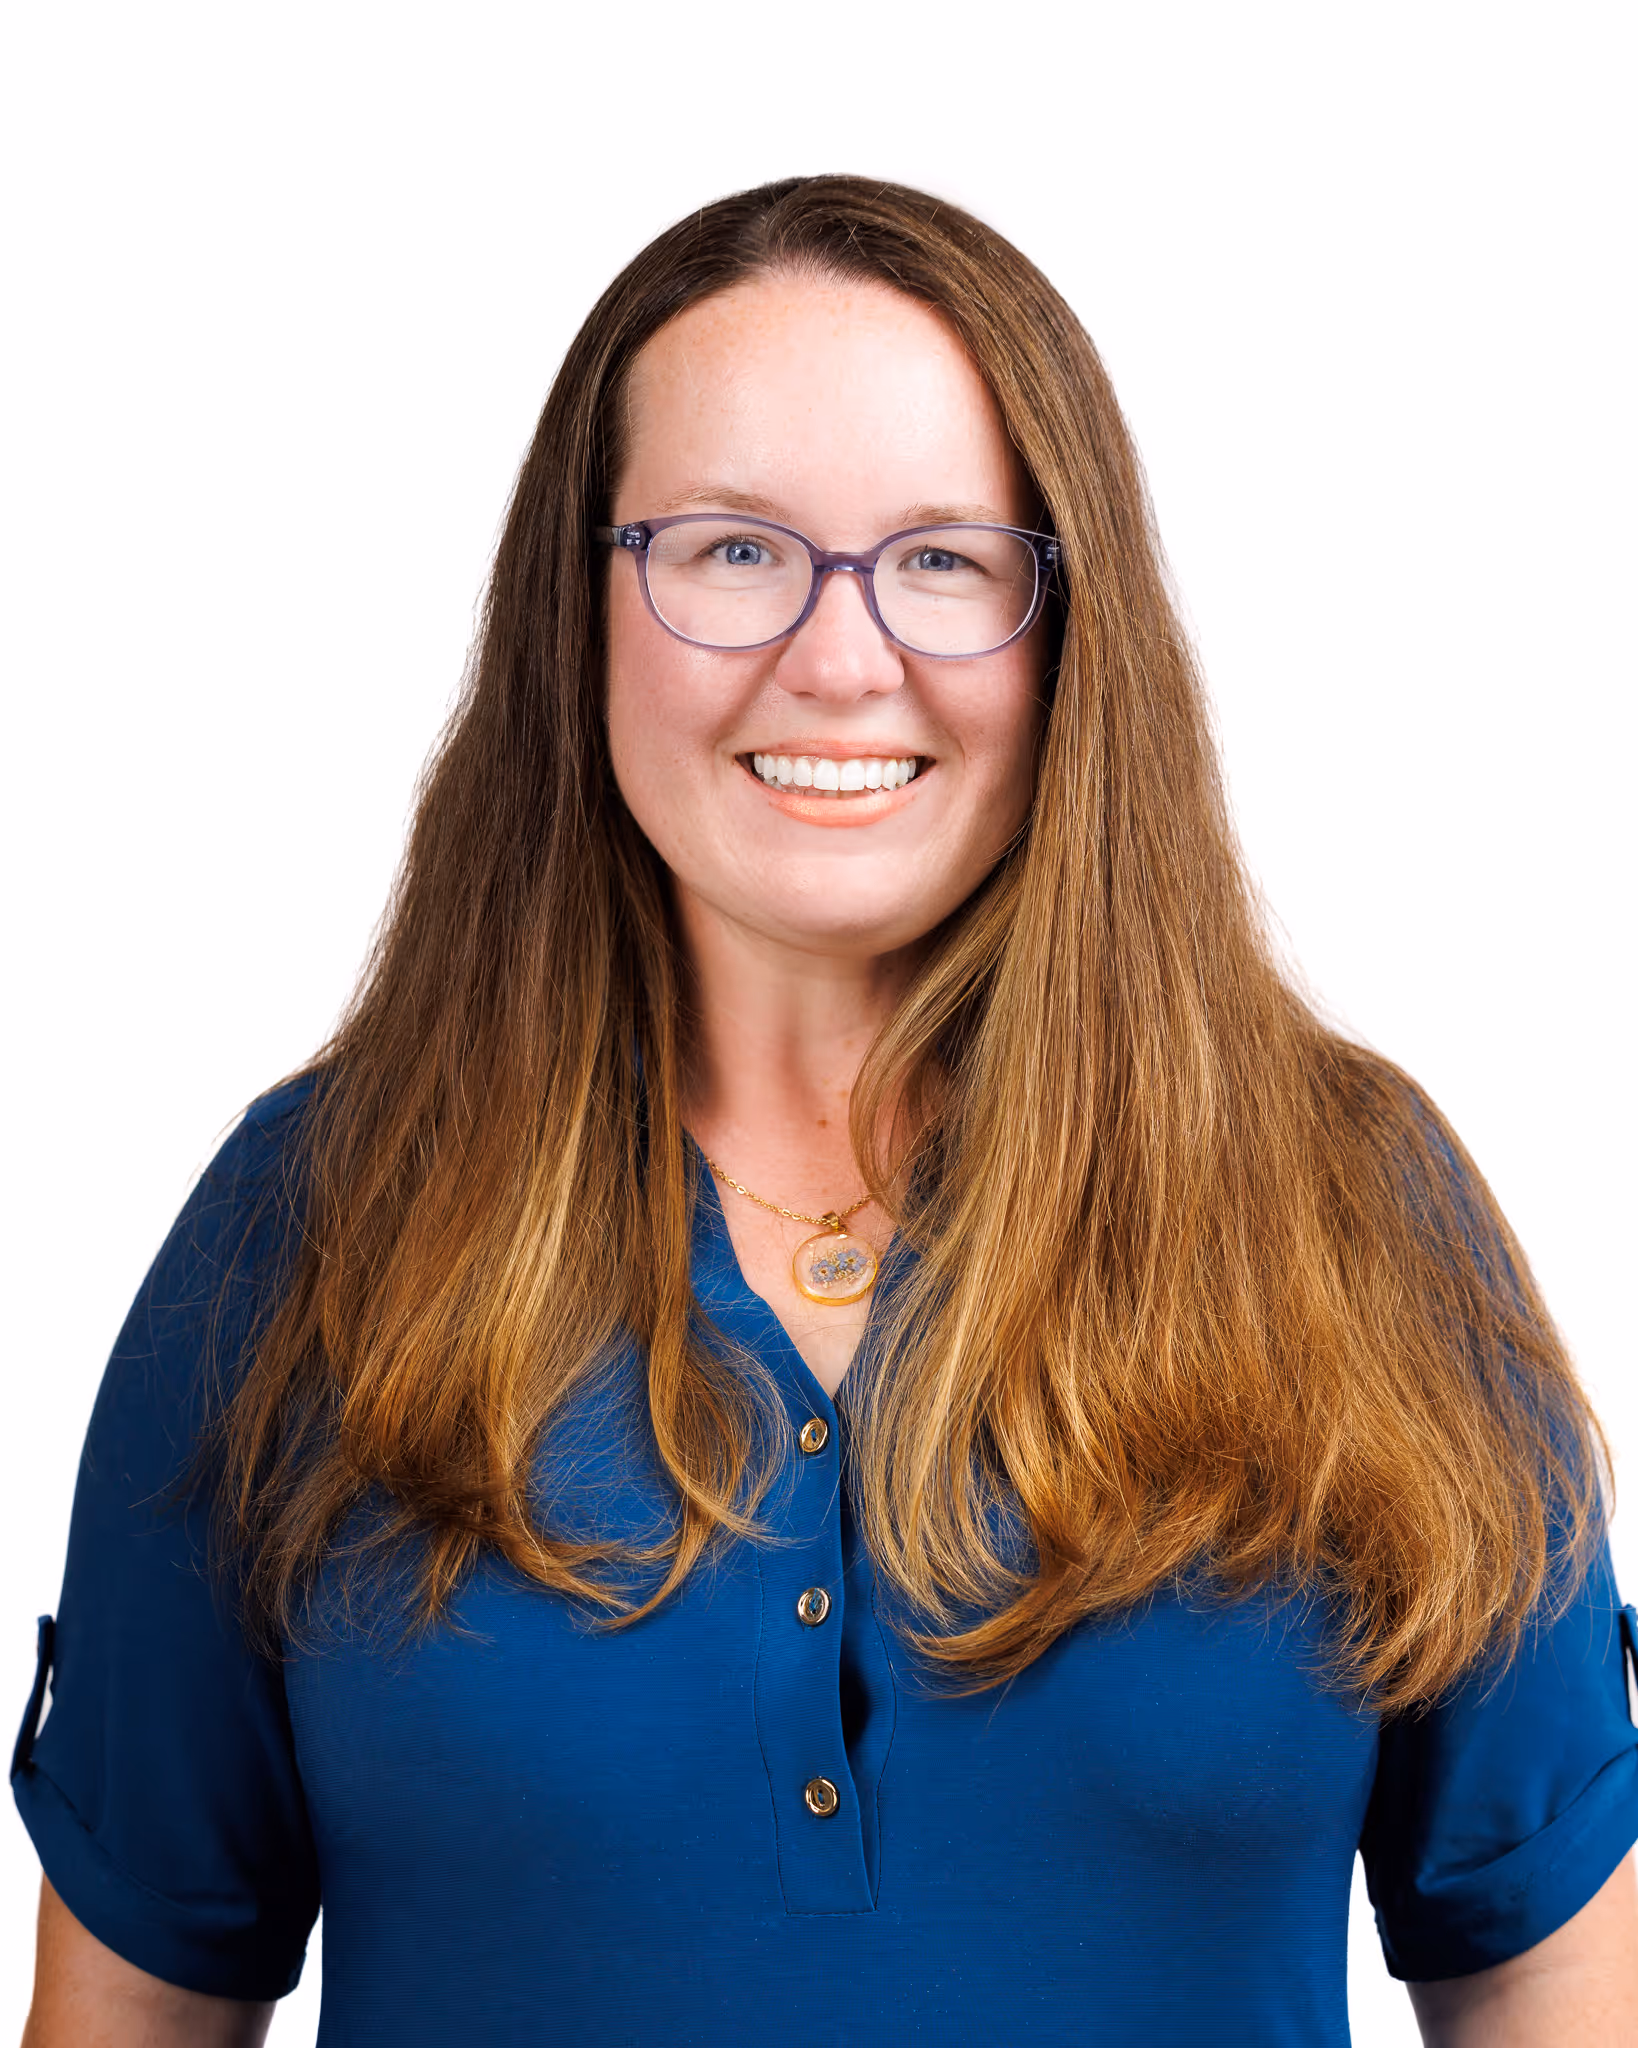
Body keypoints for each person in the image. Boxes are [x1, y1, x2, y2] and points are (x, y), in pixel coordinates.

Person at [14, 175, 1638, 2047]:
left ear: (1063, 624)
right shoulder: (307, 1224)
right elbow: (130, 2019)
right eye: (729, 551)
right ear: (583, 609)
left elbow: (1553, 1994)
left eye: (943, 558)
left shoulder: (1352, 1210)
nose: (842, 657)